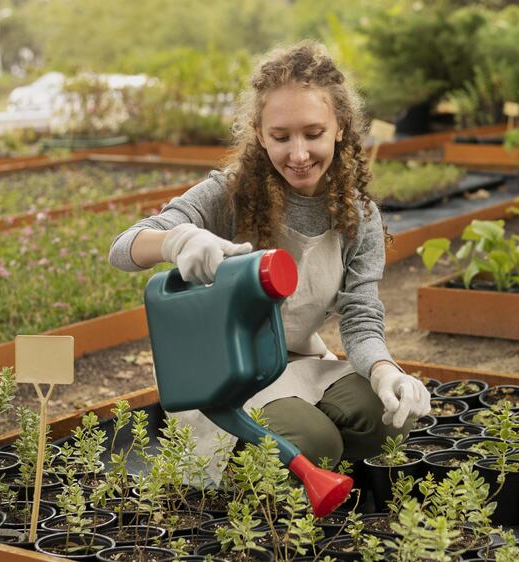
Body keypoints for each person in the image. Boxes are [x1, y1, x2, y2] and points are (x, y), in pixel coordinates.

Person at [108, 41, 430, 483]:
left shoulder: (359, 215)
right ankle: (261, 476)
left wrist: (383, 369)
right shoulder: (229, 195)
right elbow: (124, 247)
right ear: (260, 135)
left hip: (299, 361)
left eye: (313, 133)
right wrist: (177, 240)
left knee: (384, 414)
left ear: (340, 127)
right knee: (315, 442)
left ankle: (302, 472)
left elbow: (360, 313)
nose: (298, 154)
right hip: (228, 379)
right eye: (281, 137)